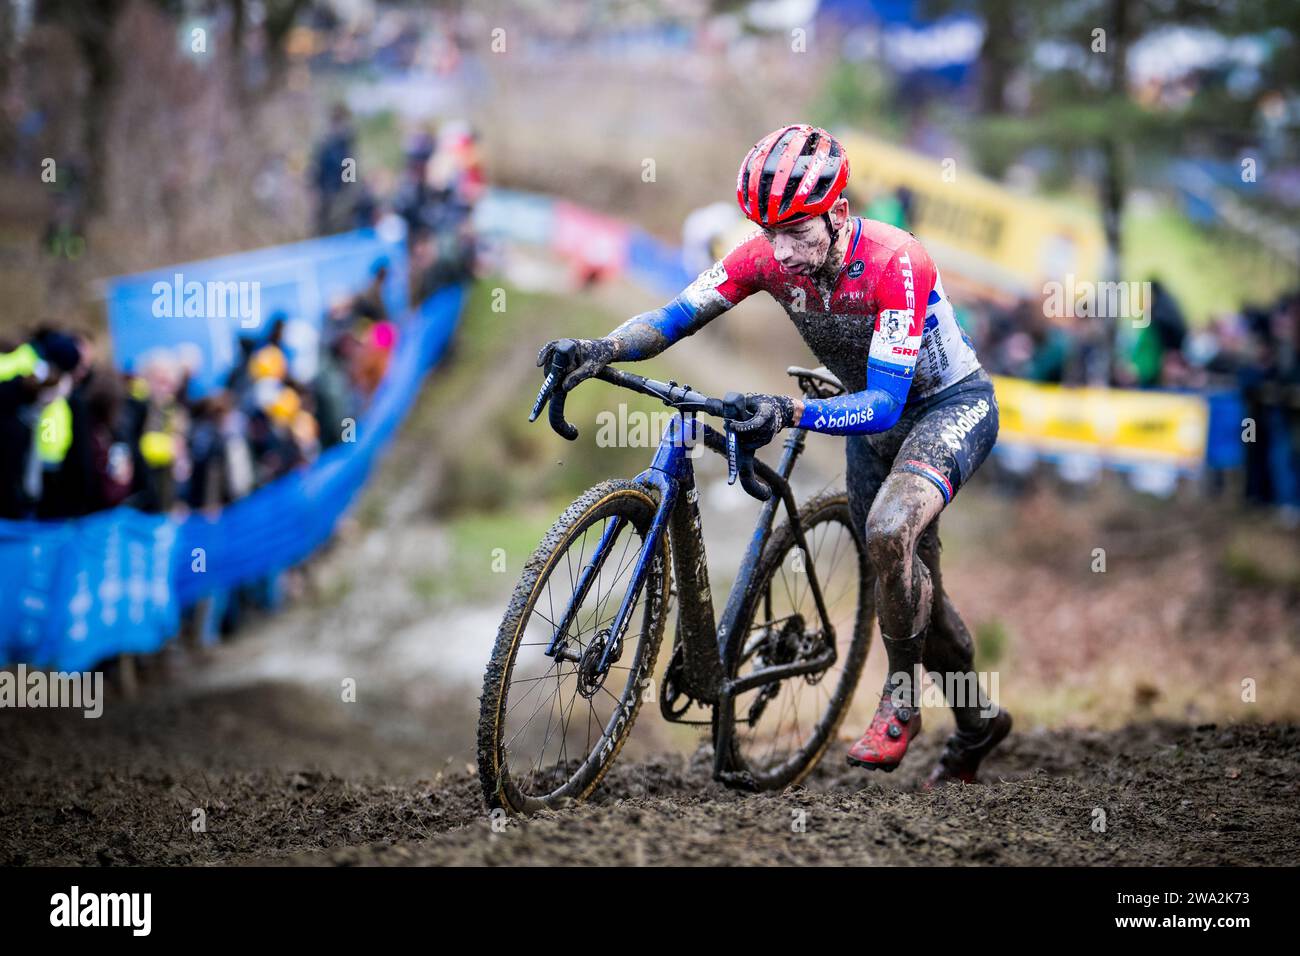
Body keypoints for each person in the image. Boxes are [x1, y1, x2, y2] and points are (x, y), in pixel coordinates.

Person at [534, 125, 1011, 788]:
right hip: (873, 422)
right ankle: (979, 720)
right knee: (911, 592)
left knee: (887, 530)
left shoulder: (897, 260)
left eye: (796, 231)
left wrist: (789, 411)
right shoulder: (761, 255)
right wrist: (600, 348)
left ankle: (901, 693)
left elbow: (884, 405)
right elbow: (673, 317)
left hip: (944, 408)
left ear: (838, 213)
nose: (780, 251)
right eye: (768, 230)